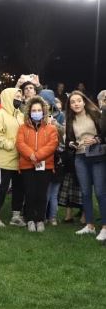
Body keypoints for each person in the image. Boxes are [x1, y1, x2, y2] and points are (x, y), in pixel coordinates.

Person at [65, 91, 106, 241]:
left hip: (97, 155)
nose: (76, 104)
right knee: (85, 192)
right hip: (80, 157)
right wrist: (70, 143)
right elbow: (68, 140)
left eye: (78, 101)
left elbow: (104, 134)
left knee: (101, 192)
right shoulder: (70, 119)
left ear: (84, 102)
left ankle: (104, 227)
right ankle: (89, 225)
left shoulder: (95, 114)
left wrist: (96, 139)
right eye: (73, 102)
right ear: (70, 105)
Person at [16, 97, 58, 233]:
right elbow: (20, 143)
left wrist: (37, 155)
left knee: (41, 193)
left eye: (39, 110)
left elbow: (52, 145)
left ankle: (40, 219)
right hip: (27, 165)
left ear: (44, 111)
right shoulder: (22, 128)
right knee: (29, 193)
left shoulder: (51, 128)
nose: (36, 112)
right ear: (29, 112)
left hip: (45, 165)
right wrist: (31, 155)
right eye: (34, 110)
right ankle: (29, 219)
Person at [0, 88, 26, 228]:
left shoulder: (20, 115)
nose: (19, 99)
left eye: (20, 97)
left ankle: (16, 216)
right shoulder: (0, 115)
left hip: (20, 159)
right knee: (1, 186)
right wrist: (10, 144)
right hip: (4, 159)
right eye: (16, 96)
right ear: (9, 97)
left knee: (19, 187)